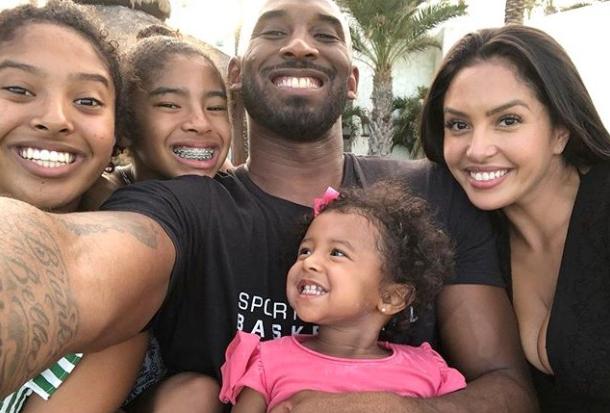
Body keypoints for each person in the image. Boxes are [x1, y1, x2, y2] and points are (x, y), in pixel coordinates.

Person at [0, 1, 537, 412]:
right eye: (274, 31)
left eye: (325, 34)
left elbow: (508, 386)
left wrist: (387, 406)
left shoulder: (433, 192)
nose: (300, 46)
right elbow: (69, 261)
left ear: (353, 81)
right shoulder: (184, 204)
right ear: (235, 73)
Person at [420, 25, 610, 411]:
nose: (477, 149)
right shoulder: (464, 234)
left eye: (508, 120)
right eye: (459, 124)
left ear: (561, 129)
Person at [0, 1, 147, 412]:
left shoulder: (117, 313)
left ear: (119, 132)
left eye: (87, 101)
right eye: (17, 89)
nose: (55, 118)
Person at [220, 182, 466, 412]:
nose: (310, 262)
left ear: (391, 297)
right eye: (305, 250)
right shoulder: (268, 361)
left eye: (336, 253)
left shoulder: (429, 370)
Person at [84, 25, 232, 211]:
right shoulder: (103, 199)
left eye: (215, 107)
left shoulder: (227, 184)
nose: (201, 123)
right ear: (124, 125)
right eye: (171, 105)